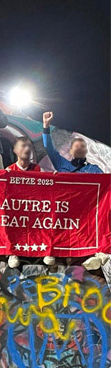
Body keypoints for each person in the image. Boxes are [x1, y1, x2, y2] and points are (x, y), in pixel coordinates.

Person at [42, 112, 106, 271]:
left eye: (82, 146)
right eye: (76, 145)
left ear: (85, 152)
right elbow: (48, 147)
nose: (79, 148)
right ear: (71, 150)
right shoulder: (62, 164)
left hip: (86, 212)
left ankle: (100, 254)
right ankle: (51, 251)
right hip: (65, 209)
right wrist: (46, 126)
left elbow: (105, 187)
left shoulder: (94, 169)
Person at [5, 137, 54, 268]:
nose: (26, 149)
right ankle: (12, 252)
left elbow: (48, 190)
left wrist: (55, 180)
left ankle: (47, 250)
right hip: (17, 211)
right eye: (23, 146)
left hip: (35, 209)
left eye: (28, 146)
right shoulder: (9, 171)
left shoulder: (39, 170)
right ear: (15, 150)